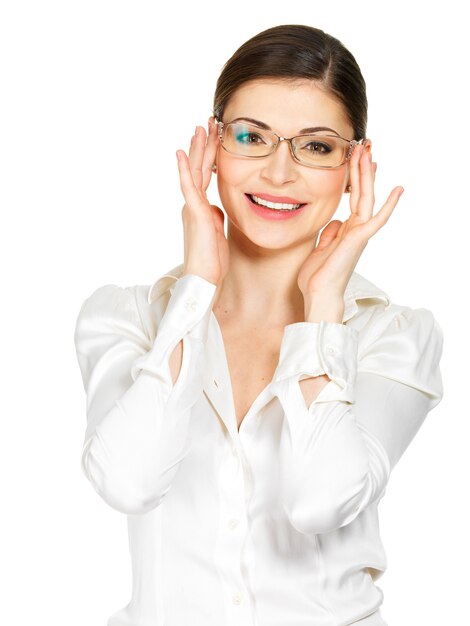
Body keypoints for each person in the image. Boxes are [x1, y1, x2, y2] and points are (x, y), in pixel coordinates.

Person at [74, 24, 444, 626]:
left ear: (356, 166)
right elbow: (129, 483)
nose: (278, 173)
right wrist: (195, 289)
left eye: (316, 147)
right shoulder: (126, 319)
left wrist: (323, 305)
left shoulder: (394, 336)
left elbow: (321, 502)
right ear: (213, 144)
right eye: (251, 137)